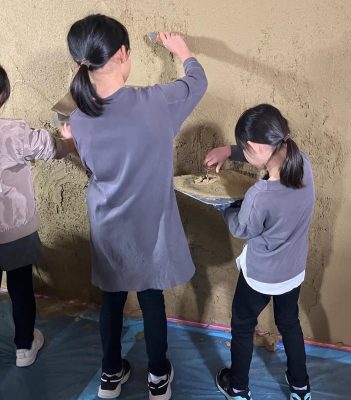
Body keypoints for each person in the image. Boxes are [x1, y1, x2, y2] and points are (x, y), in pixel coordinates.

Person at [64, 14, 207, 399]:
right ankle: (158, 377)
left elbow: (89, 161)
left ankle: (110, 375)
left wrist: (69, 137)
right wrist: (183, 51)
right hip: (149, 223)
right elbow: (197, 82)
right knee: (150, 298)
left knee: (111, 300)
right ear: (123, 53)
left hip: (107, 223)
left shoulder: (77, 119)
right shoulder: (155, 102)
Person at [205, 104, 315, 400]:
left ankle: (238, 387)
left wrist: (223, 206)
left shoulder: (259, 195)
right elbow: (266, 153)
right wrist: (230, 151)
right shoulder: (303, 163)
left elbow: (241, 229)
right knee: (289, 323)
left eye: (244, 149)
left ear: (254, 147)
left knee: (242, 326)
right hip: (293, 270)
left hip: (261, 276)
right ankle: (300, 387)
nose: (244, 152)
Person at [0, 65, 73, 367]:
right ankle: (24, 347)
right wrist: (69, 140)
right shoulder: (14, 133)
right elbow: (52, 148)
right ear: (3, 96)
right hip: (15, 230)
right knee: (20, 287)